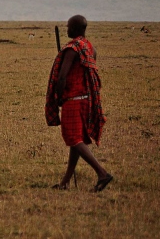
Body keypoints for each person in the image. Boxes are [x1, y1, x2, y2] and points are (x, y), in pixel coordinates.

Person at [46, 15, 113, 192]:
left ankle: (102, 173)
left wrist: (59, 96)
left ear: (75, 29)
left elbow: (62, 77)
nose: (66, 29)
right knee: (76, 141)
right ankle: (65, 183)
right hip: (87, 100)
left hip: (73, 100)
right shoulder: (90, 47)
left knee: (73, 139)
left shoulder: (72, 49)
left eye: (68, 26)